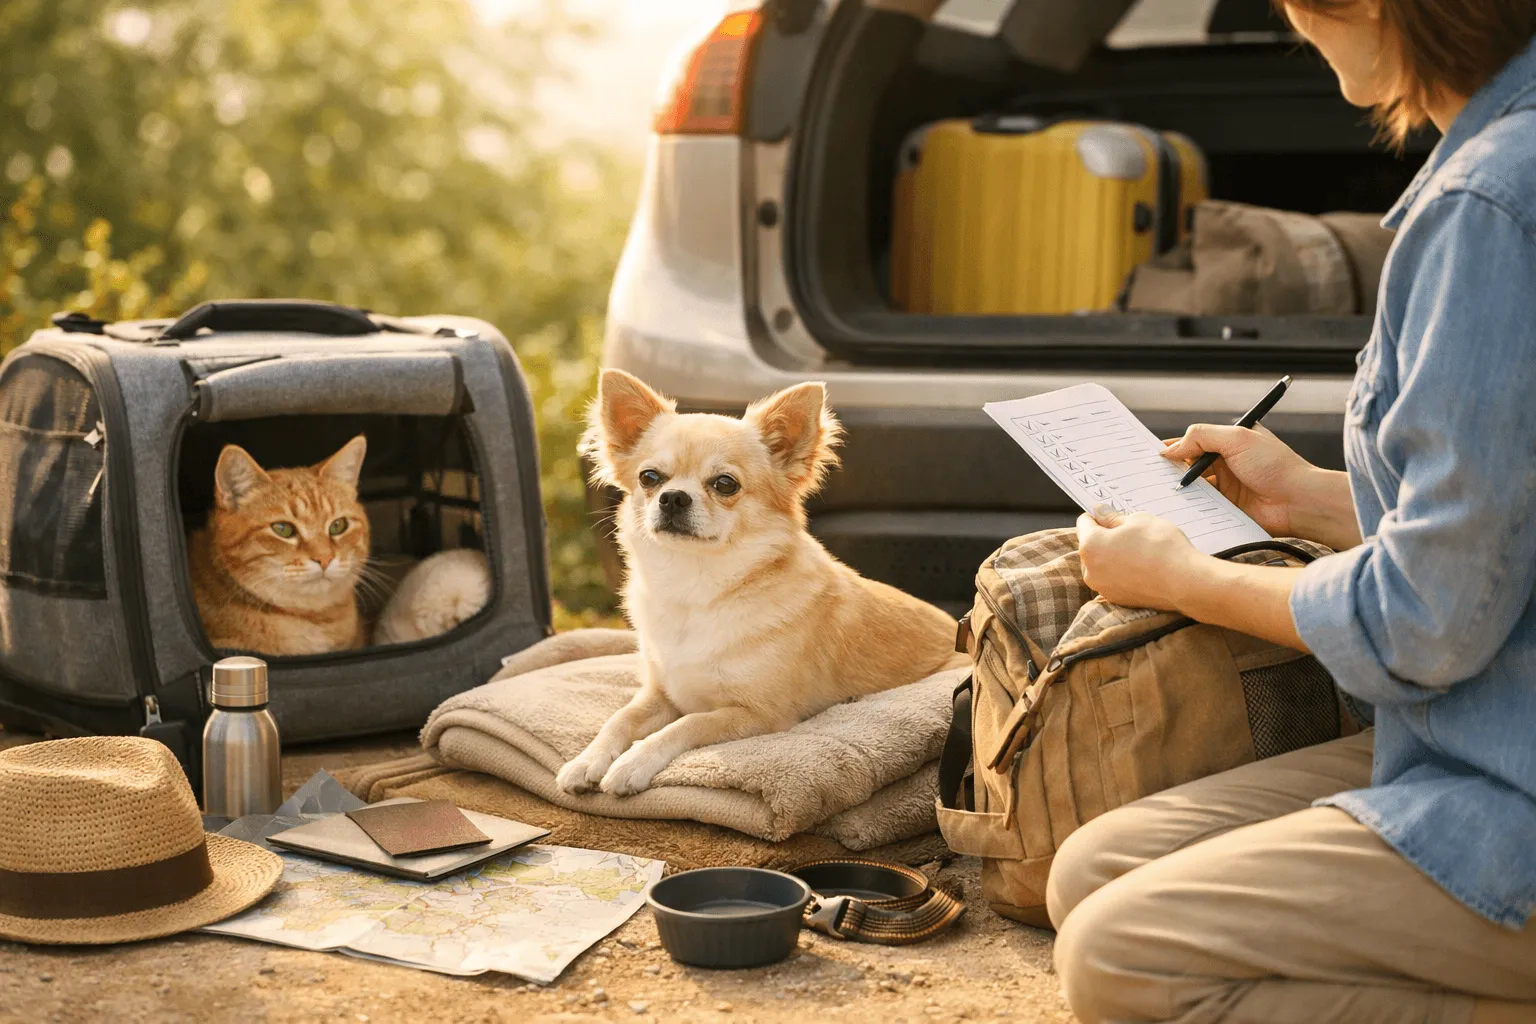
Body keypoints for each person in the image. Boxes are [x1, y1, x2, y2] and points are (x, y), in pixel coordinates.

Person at [1046, 2, 1536, 1022]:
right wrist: (1308, 498)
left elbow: (1424, 621)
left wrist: (1185, 581)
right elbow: (1499, 521)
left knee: (1120, 956)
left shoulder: (1490, 204)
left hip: (1508, 774)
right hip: (1481, 724)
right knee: (1088, 870)